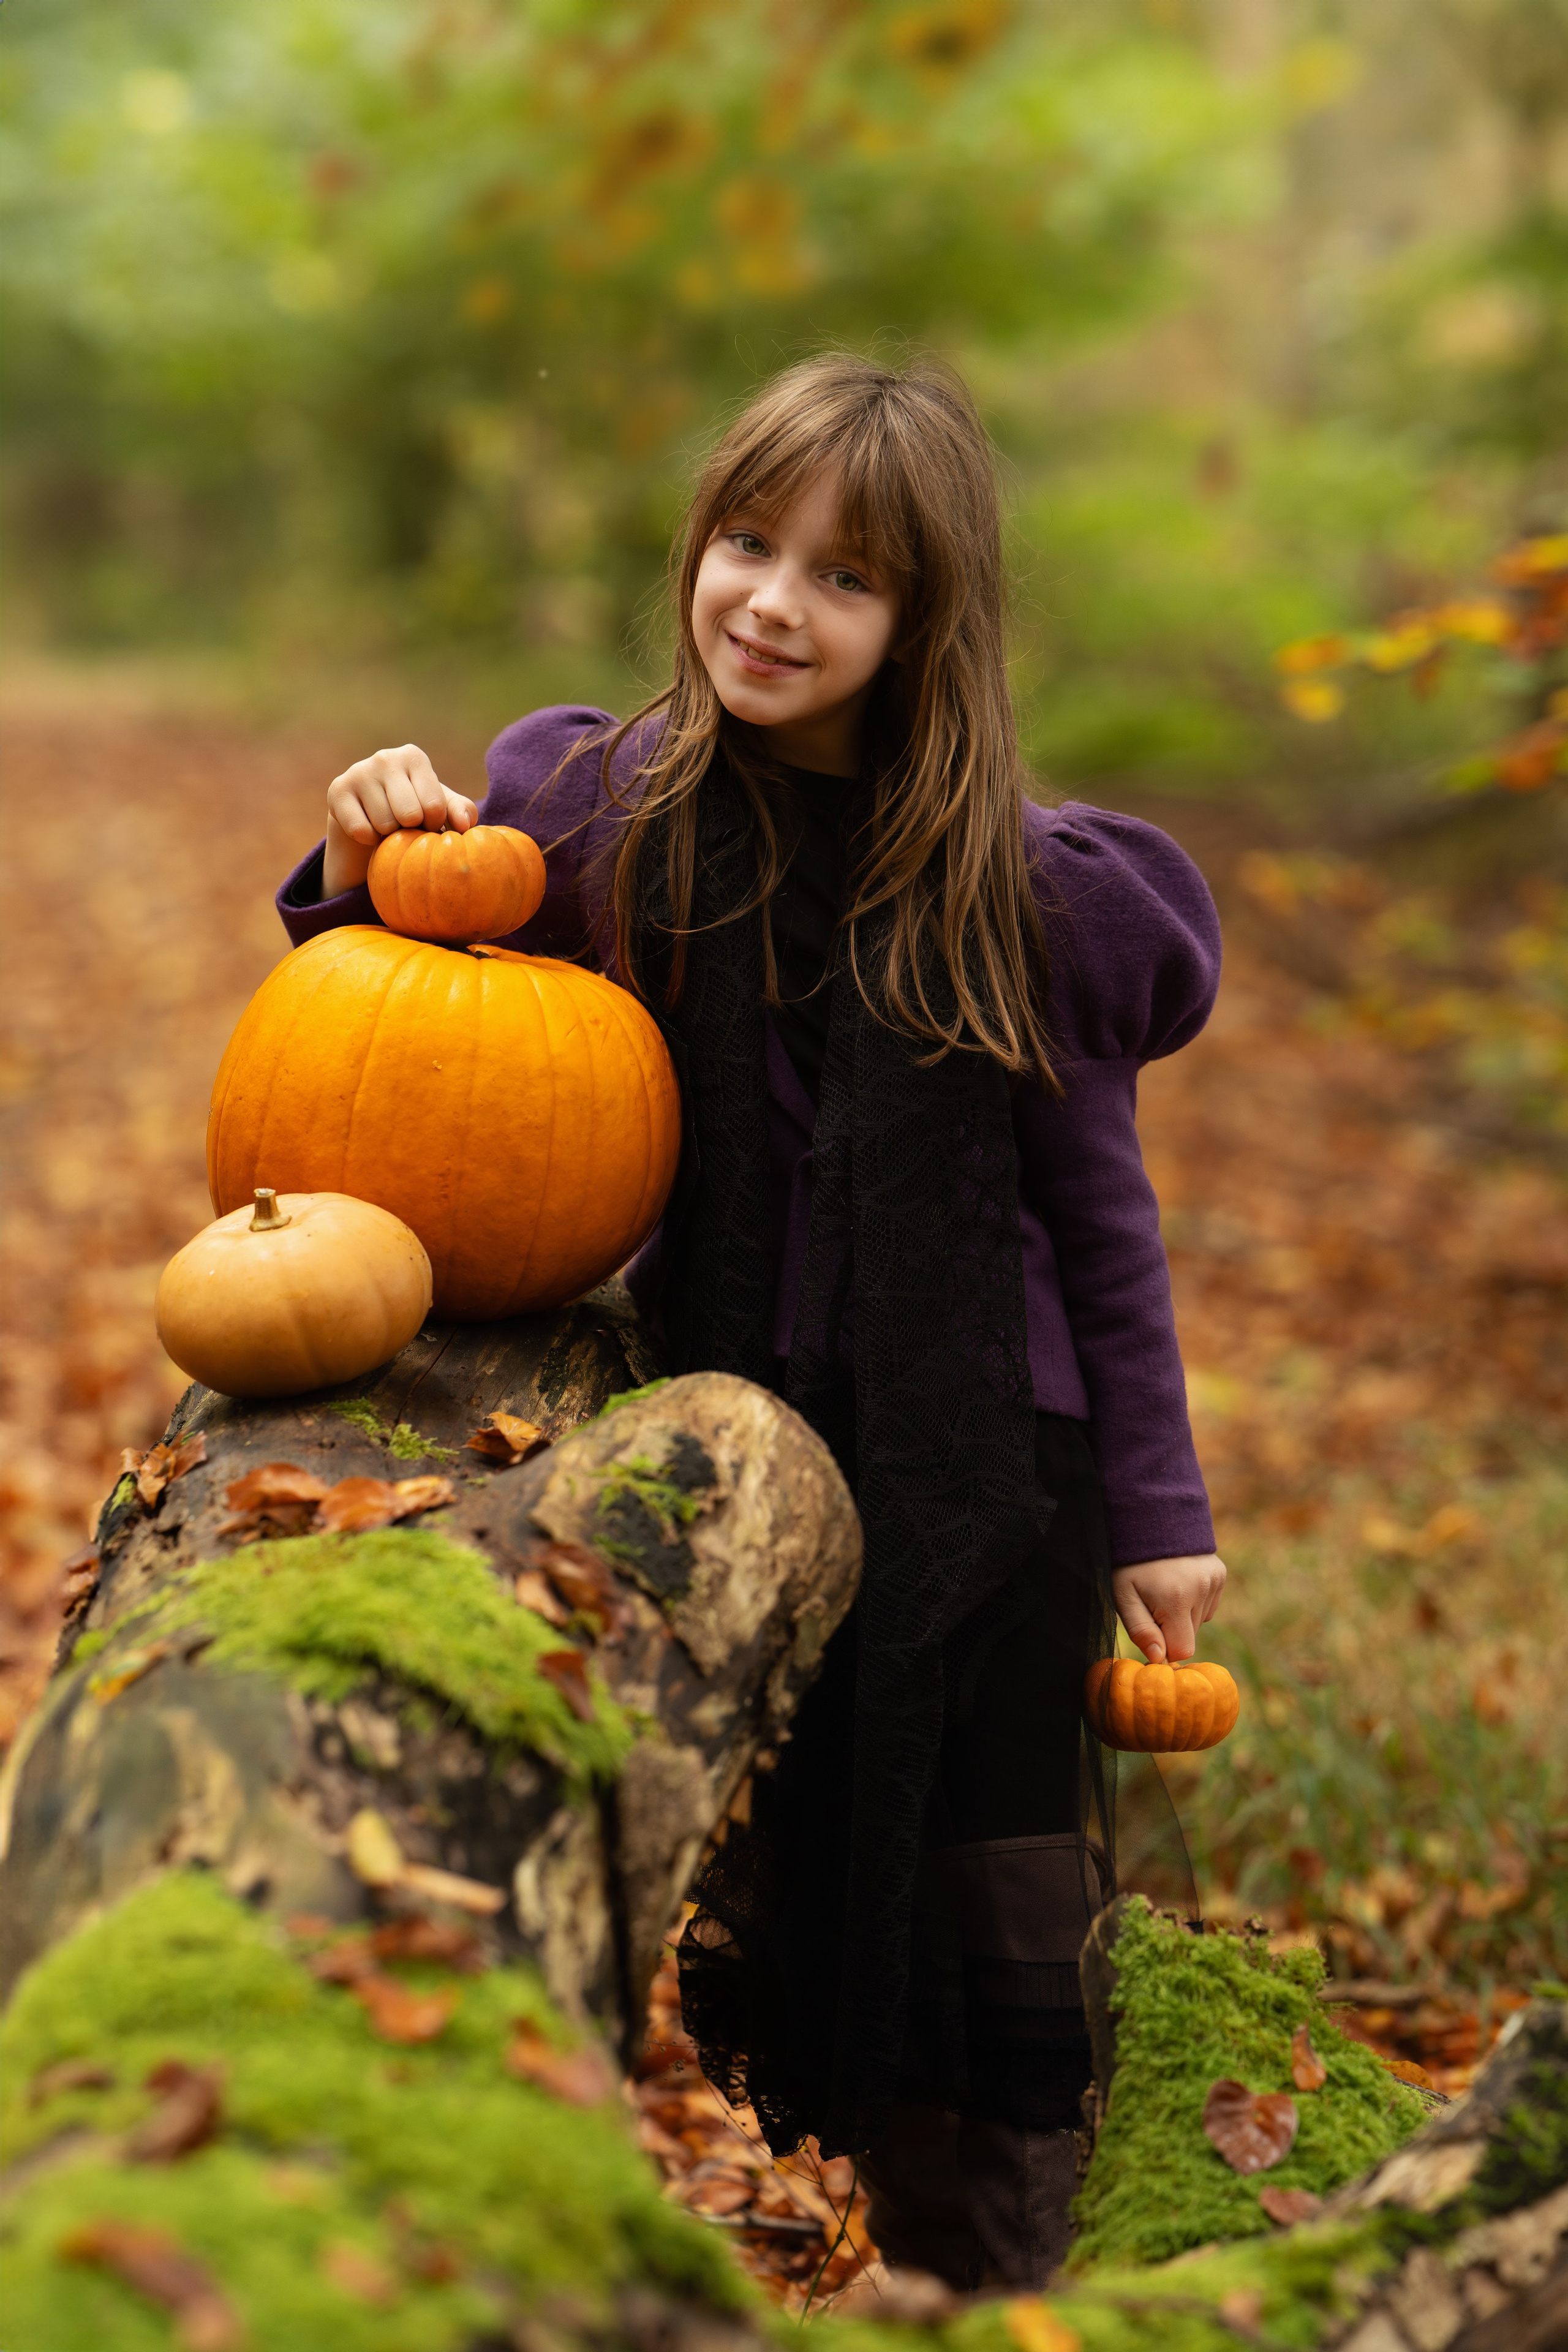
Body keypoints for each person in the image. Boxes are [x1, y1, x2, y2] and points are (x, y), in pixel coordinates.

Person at [276, 353, 1226, 2291]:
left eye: (846, 578)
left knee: (991, 1877)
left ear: (925, 625)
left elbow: (1102, 1230)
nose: (775, 604)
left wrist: (1160, 1507)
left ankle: (996, 2273)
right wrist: (372, 843)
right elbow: (400, 1016)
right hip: (738, 1437)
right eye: (747, 542)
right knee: (771, 1858)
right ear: (699, 543)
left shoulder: (1018, 894)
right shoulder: (607, 809)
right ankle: (779, 2236)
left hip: (998, 1463)